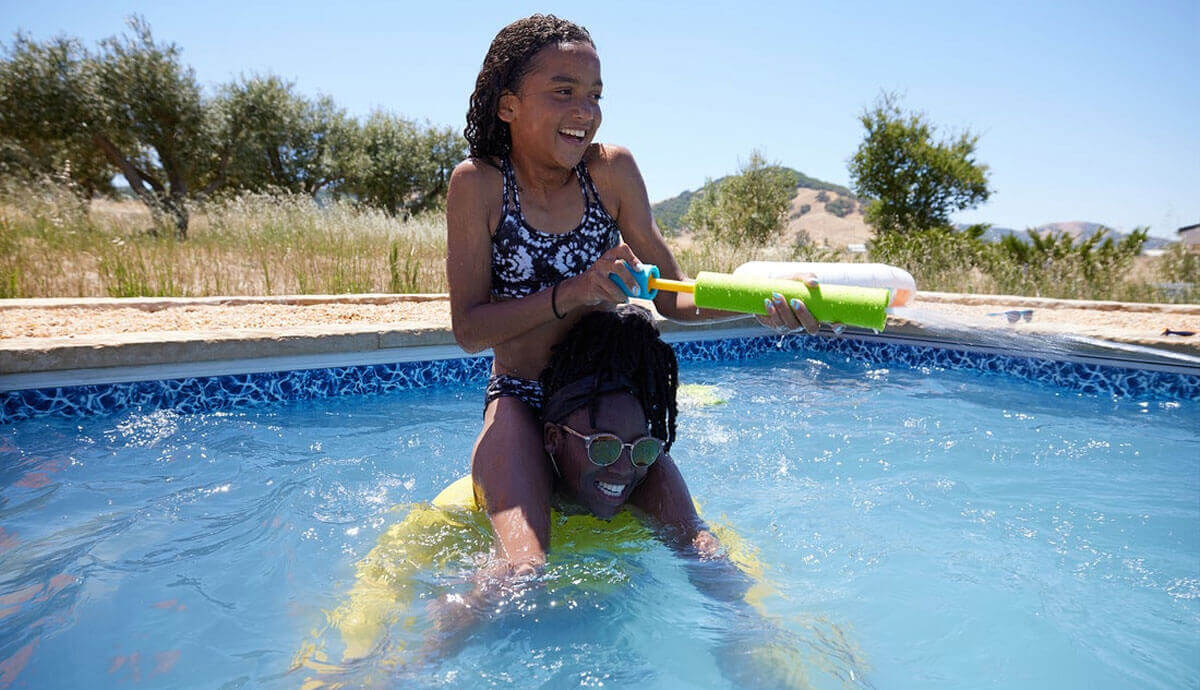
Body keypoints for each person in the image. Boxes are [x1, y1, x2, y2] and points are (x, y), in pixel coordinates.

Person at [445, 13, 818, 583]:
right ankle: (385, 669)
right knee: (520, 570)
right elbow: (469, 330)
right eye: (563, 92)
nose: (585, 112)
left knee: (704, 554)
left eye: (595, 95)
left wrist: (764, 301)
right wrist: (573, 292)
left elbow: (674, 297)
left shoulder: (612, 173)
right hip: (522, 398)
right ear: (508, 105)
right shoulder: (478, 185)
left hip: (607, 399)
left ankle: (769, 661)